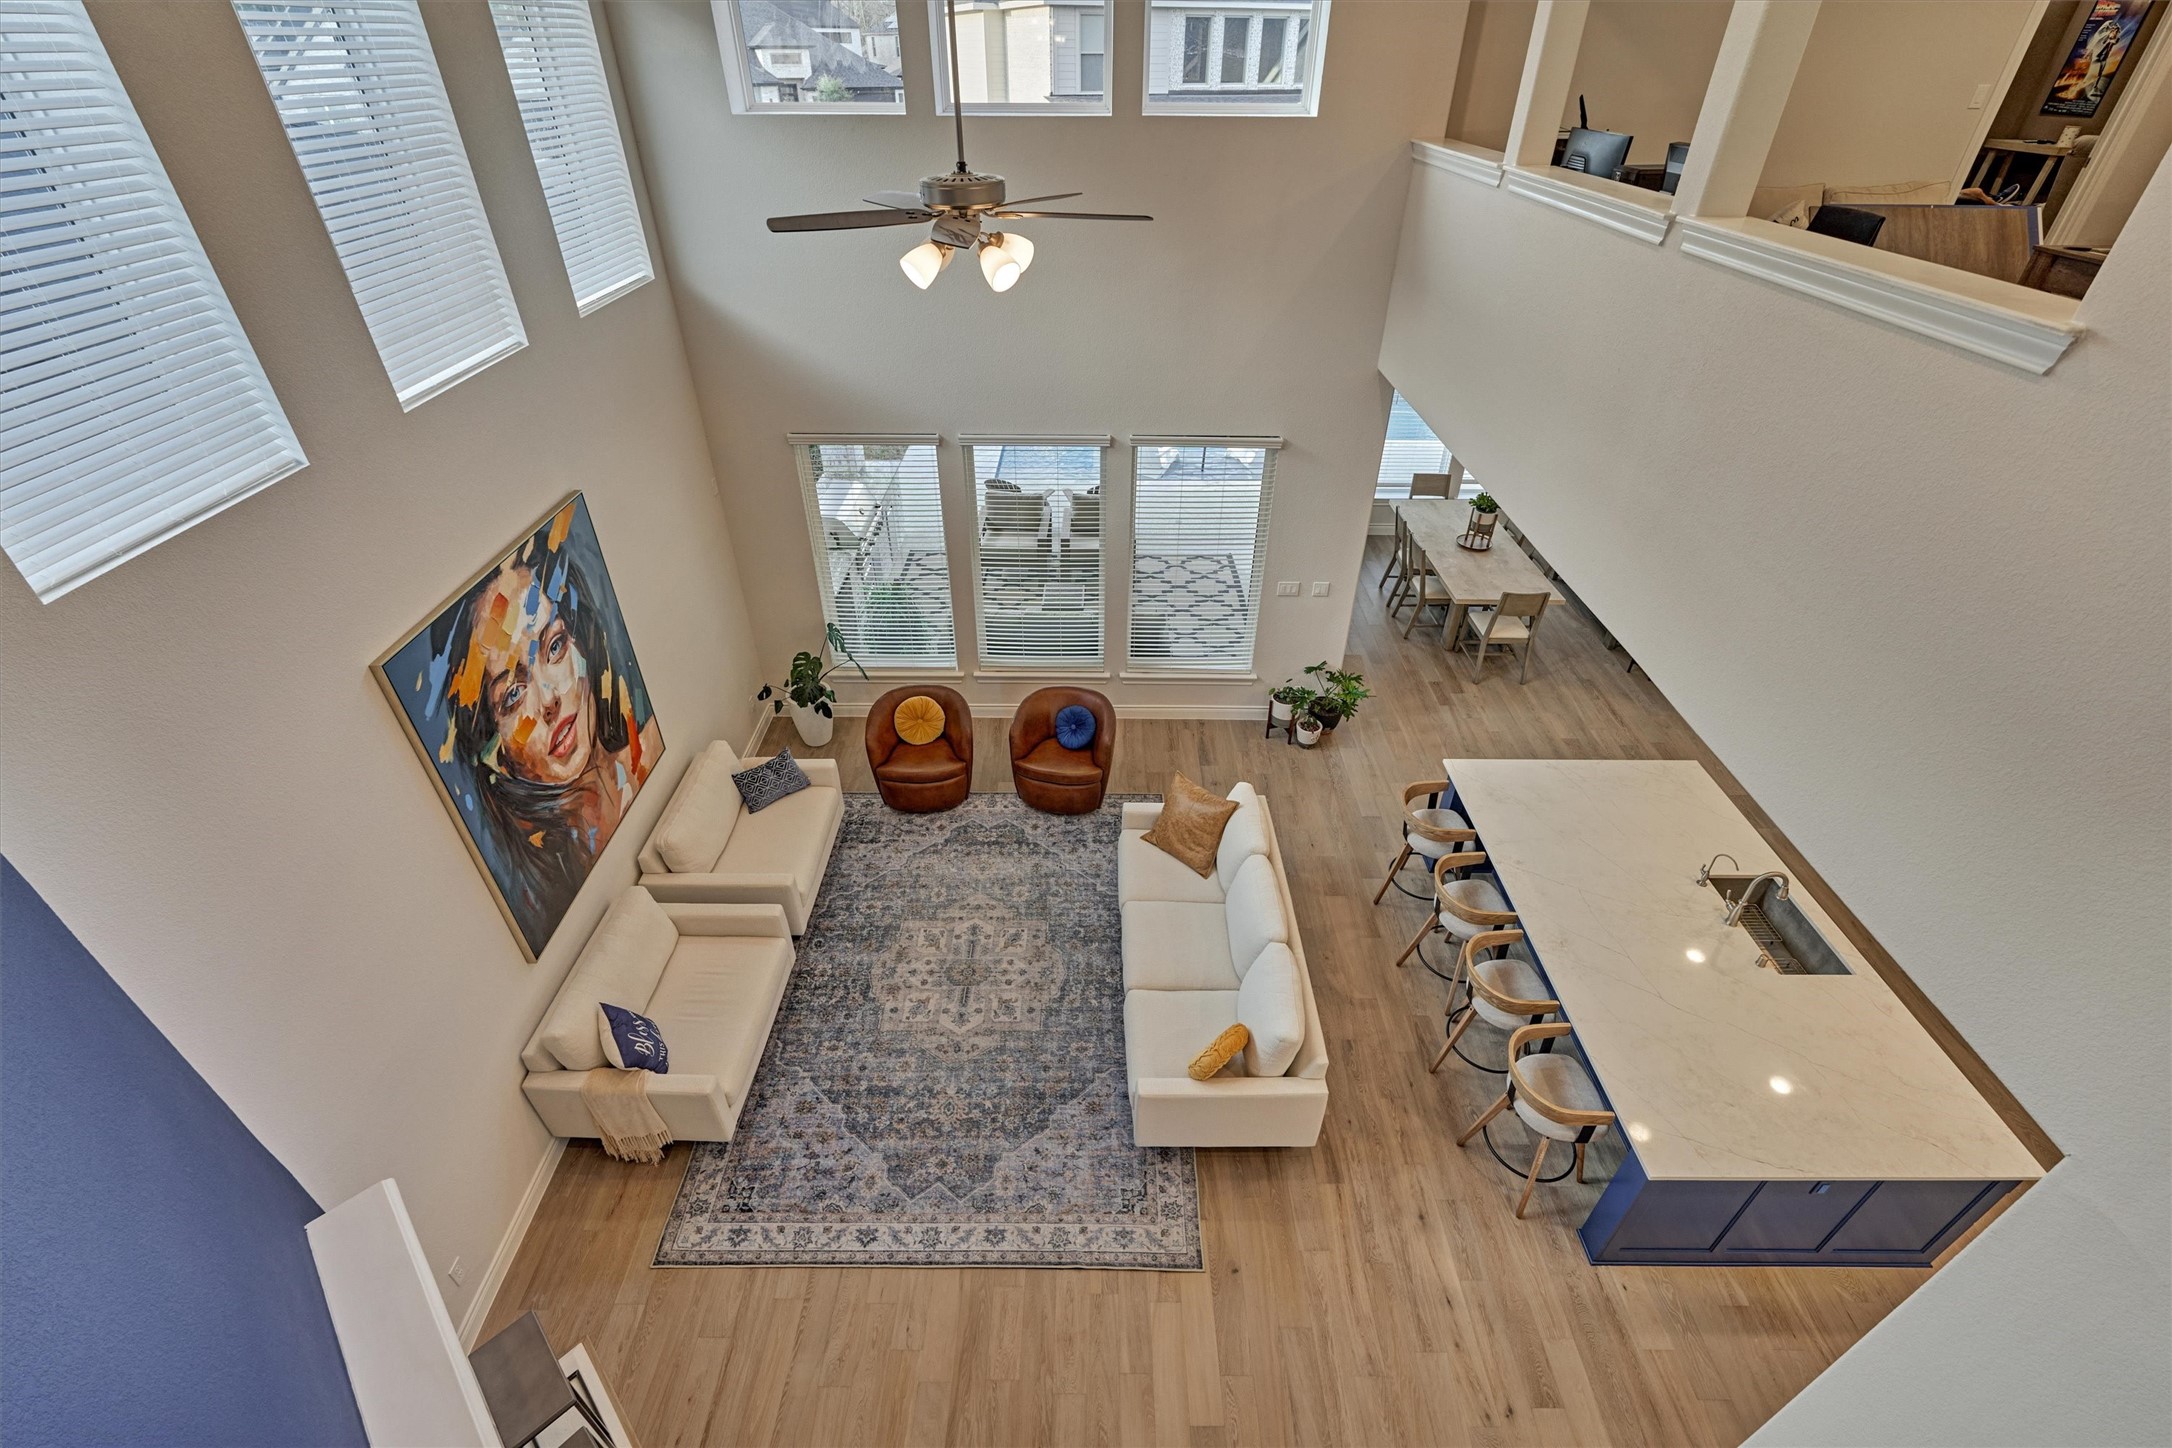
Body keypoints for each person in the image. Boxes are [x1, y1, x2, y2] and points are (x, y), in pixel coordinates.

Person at [431, 509, 660, 947]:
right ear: (492, 751)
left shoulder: (645, 752)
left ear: (583, 645)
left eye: (554, 647)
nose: (550, 701)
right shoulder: (545, 896)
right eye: (513, 696)